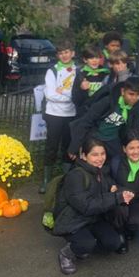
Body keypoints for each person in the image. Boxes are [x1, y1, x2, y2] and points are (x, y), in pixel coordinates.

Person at [54, 138, 133, 275]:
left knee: (114, 243)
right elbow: (86, 206)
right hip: (74, 220)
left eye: (102, 154)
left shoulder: (99, 171)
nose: (100, 158)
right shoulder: (75, 176)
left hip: (93, 218)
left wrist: (122, 192)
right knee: (86, 244)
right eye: (94, 154)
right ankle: (67, 253)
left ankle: (84, 246)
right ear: (84, 156)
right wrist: (116, 197)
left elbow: (110, 189)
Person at [67, 76, 139, 176]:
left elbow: (133, 130)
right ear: (122, 91)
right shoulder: (108, 101)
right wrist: (74, 146)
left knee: (118, 164)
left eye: (138, 95)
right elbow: (86, 121)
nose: (134, 98)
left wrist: (134, 147)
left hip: (113, 139)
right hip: (95, 136)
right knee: (87, 165)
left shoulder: (137, 107)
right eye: (131, 94)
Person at [40, 40, 78, 193]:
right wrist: (69, 96)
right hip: (54, 114)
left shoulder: (78, 70)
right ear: (58, 55)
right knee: (51, 146)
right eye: (61, 53)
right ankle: (46, 181)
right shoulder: (52, 71)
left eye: (67, 52)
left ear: (72, 53)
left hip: (71, 114)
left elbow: (77, 94)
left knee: (68, 147)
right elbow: (50, 95)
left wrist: (64, 93)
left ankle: (66, 179)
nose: (64, 55)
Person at [72, 45, 109, 117]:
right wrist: (82, 89)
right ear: (85, 60)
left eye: (97, 57)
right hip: (86, 114)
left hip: (101, 114)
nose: (94, 60)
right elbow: (75, 99)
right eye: (91, 58)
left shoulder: (106, 73)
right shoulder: (81, 74)